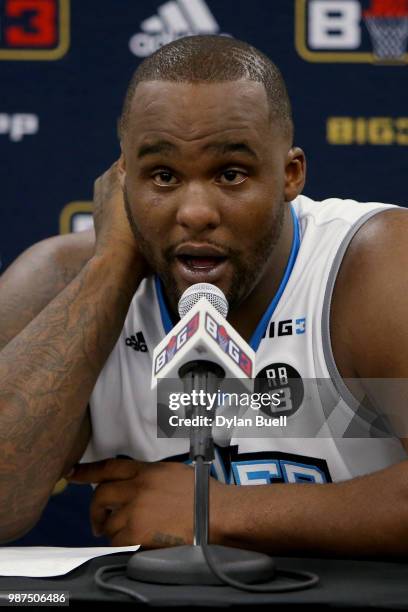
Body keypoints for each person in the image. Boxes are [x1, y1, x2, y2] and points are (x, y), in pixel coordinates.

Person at [1, 34, 408, 556]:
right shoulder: (59, 279)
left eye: (230, 174)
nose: (195, 212)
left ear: (290, 175)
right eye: (163, 176)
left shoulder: (371, 262)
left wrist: (213, 511)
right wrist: (111, 268)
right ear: (122, 181)